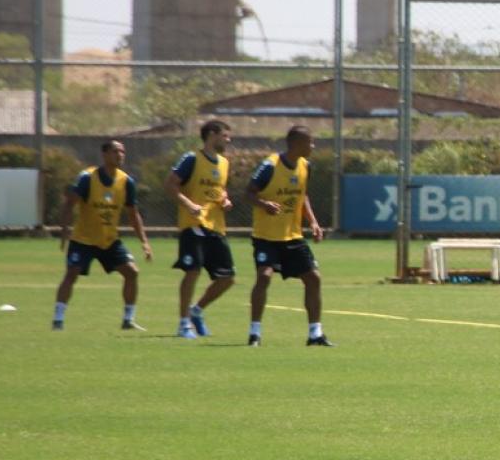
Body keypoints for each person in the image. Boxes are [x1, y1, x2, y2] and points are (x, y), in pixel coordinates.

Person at [52, 139, 153, 330]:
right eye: (116, 152)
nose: (120, 155)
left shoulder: (126, 181)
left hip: (109, 240)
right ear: (105, 154)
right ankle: (58, 319)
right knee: (71, 274)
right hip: (83, 239)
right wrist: (64, 230)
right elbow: (69, 203)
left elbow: (133, 214)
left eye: (122, 152)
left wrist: (144, 242)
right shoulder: (87, 178)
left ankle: (128, 320)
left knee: (132, 272)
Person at [245, 124, 330, 347]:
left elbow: (303, 196)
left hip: (292, 236)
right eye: (309, 142)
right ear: (295, 144)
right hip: (266, 236)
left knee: (313, 278)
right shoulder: (270, 166)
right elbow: (248, 192)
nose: (312, 146)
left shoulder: (305, 166)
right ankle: (255, 333)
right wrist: (264, 204)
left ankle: (315, 334)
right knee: (264, 276)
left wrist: (312, 222)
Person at [165, 119, 235, 339]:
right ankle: (183, 322)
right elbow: (170, 184)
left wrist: (225, 200)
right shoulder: (191, 159)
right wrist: (189, 205)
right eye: (225, 135)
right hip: (193, 224)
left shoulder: (224, 163)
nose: (228, 139)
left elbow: (219, 190)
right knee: (192, 271)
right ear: (212, 134)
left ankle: (197, 310)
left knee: (227, 278)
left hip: (216, 226)